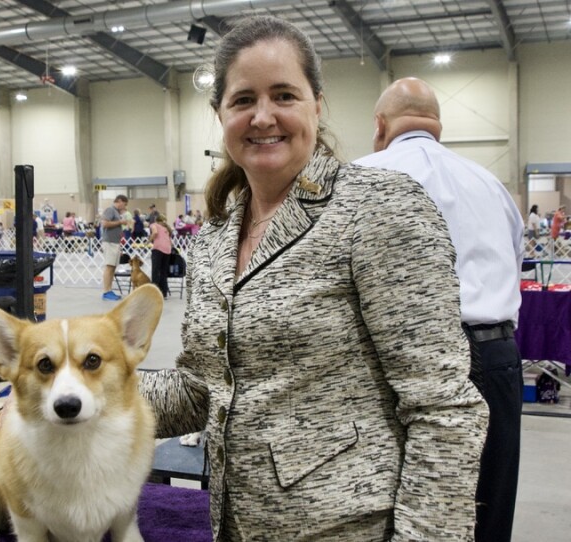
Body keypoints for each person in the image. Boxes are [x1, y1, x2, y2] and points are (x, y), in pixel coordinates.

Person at [137, 16, 486, 541]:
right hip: (235, 526)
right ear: (220, 114)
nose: (262, 117)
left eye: (283, 95)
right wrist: (75, 396)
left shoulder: (378, 208)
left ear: (317, 105)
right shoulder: (213, 239)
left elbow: (443, 407)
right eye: (242, 100)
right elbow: (202, 391)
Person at [355, 76, 523, 542]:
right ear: (438, 127)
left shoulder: (362, 176)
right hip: (496, 355)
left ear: (380, 125)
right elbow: (513, 264)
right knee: (488, 513)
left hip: (400, 361)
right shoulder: (491, 184)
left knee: (400, 515)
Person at [100, 194, 129, 301]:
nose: (124, 207)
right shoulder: (110, 210)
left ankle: (109, 290)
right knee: (109, 267)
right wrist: (120, 222)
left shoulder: (116, 212)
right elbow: (104, 223)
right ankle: (106, 291)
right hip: (110, 242)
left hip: (115, 243)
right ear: (120, 201)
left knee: (112, 267)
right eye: (124, 204)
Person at [148, 214, 172, 298]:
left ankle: (154, 293)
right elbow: (170, 241)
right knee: (163, 272)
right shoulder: (167, 228)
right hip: (167, 250)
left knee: (155, 271)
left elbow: (154, 233)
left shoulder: (154, 225)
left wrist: (149, 241)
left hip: (158, 249)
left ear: (156, 220)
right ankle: (164, 292)